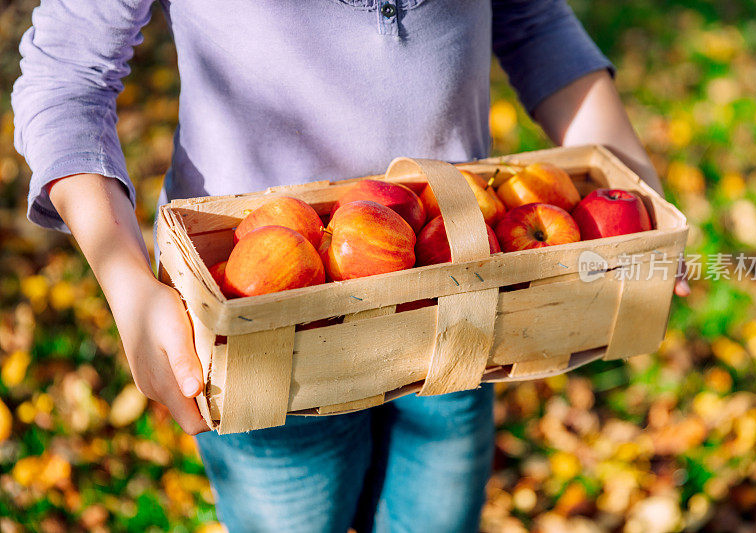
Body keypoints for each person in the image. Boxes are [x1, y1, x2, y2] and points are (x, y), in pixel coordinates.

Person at [12, 0, 689, 531]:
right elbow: (66, 74)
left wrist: (636, 196)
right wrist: (126, 282)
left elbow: (530, 16)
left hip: (461, 300)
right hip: (262, 326)